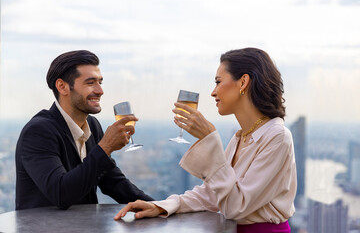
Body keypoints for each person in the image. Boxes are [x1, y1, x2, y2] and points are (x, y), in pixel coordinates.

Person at [114, 48, 296, 233]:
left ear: (243, 82)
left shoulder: (277, 137)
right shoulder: (241, 136)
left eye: (218, 82)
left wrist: (210, 139)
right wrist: (162, 206)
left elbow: (235, 208)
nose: (213, 92)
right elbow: (213, 194)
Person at [15, 50, 154, 210]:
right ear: (62, 86)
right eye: (90, 83)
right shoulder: (38, 131)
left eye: (100, 82)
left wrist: (160, 207)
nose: (100, 91)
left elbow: (113, 182)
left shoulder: (93, 125)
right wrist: (106, 147)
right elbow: (61, 193)